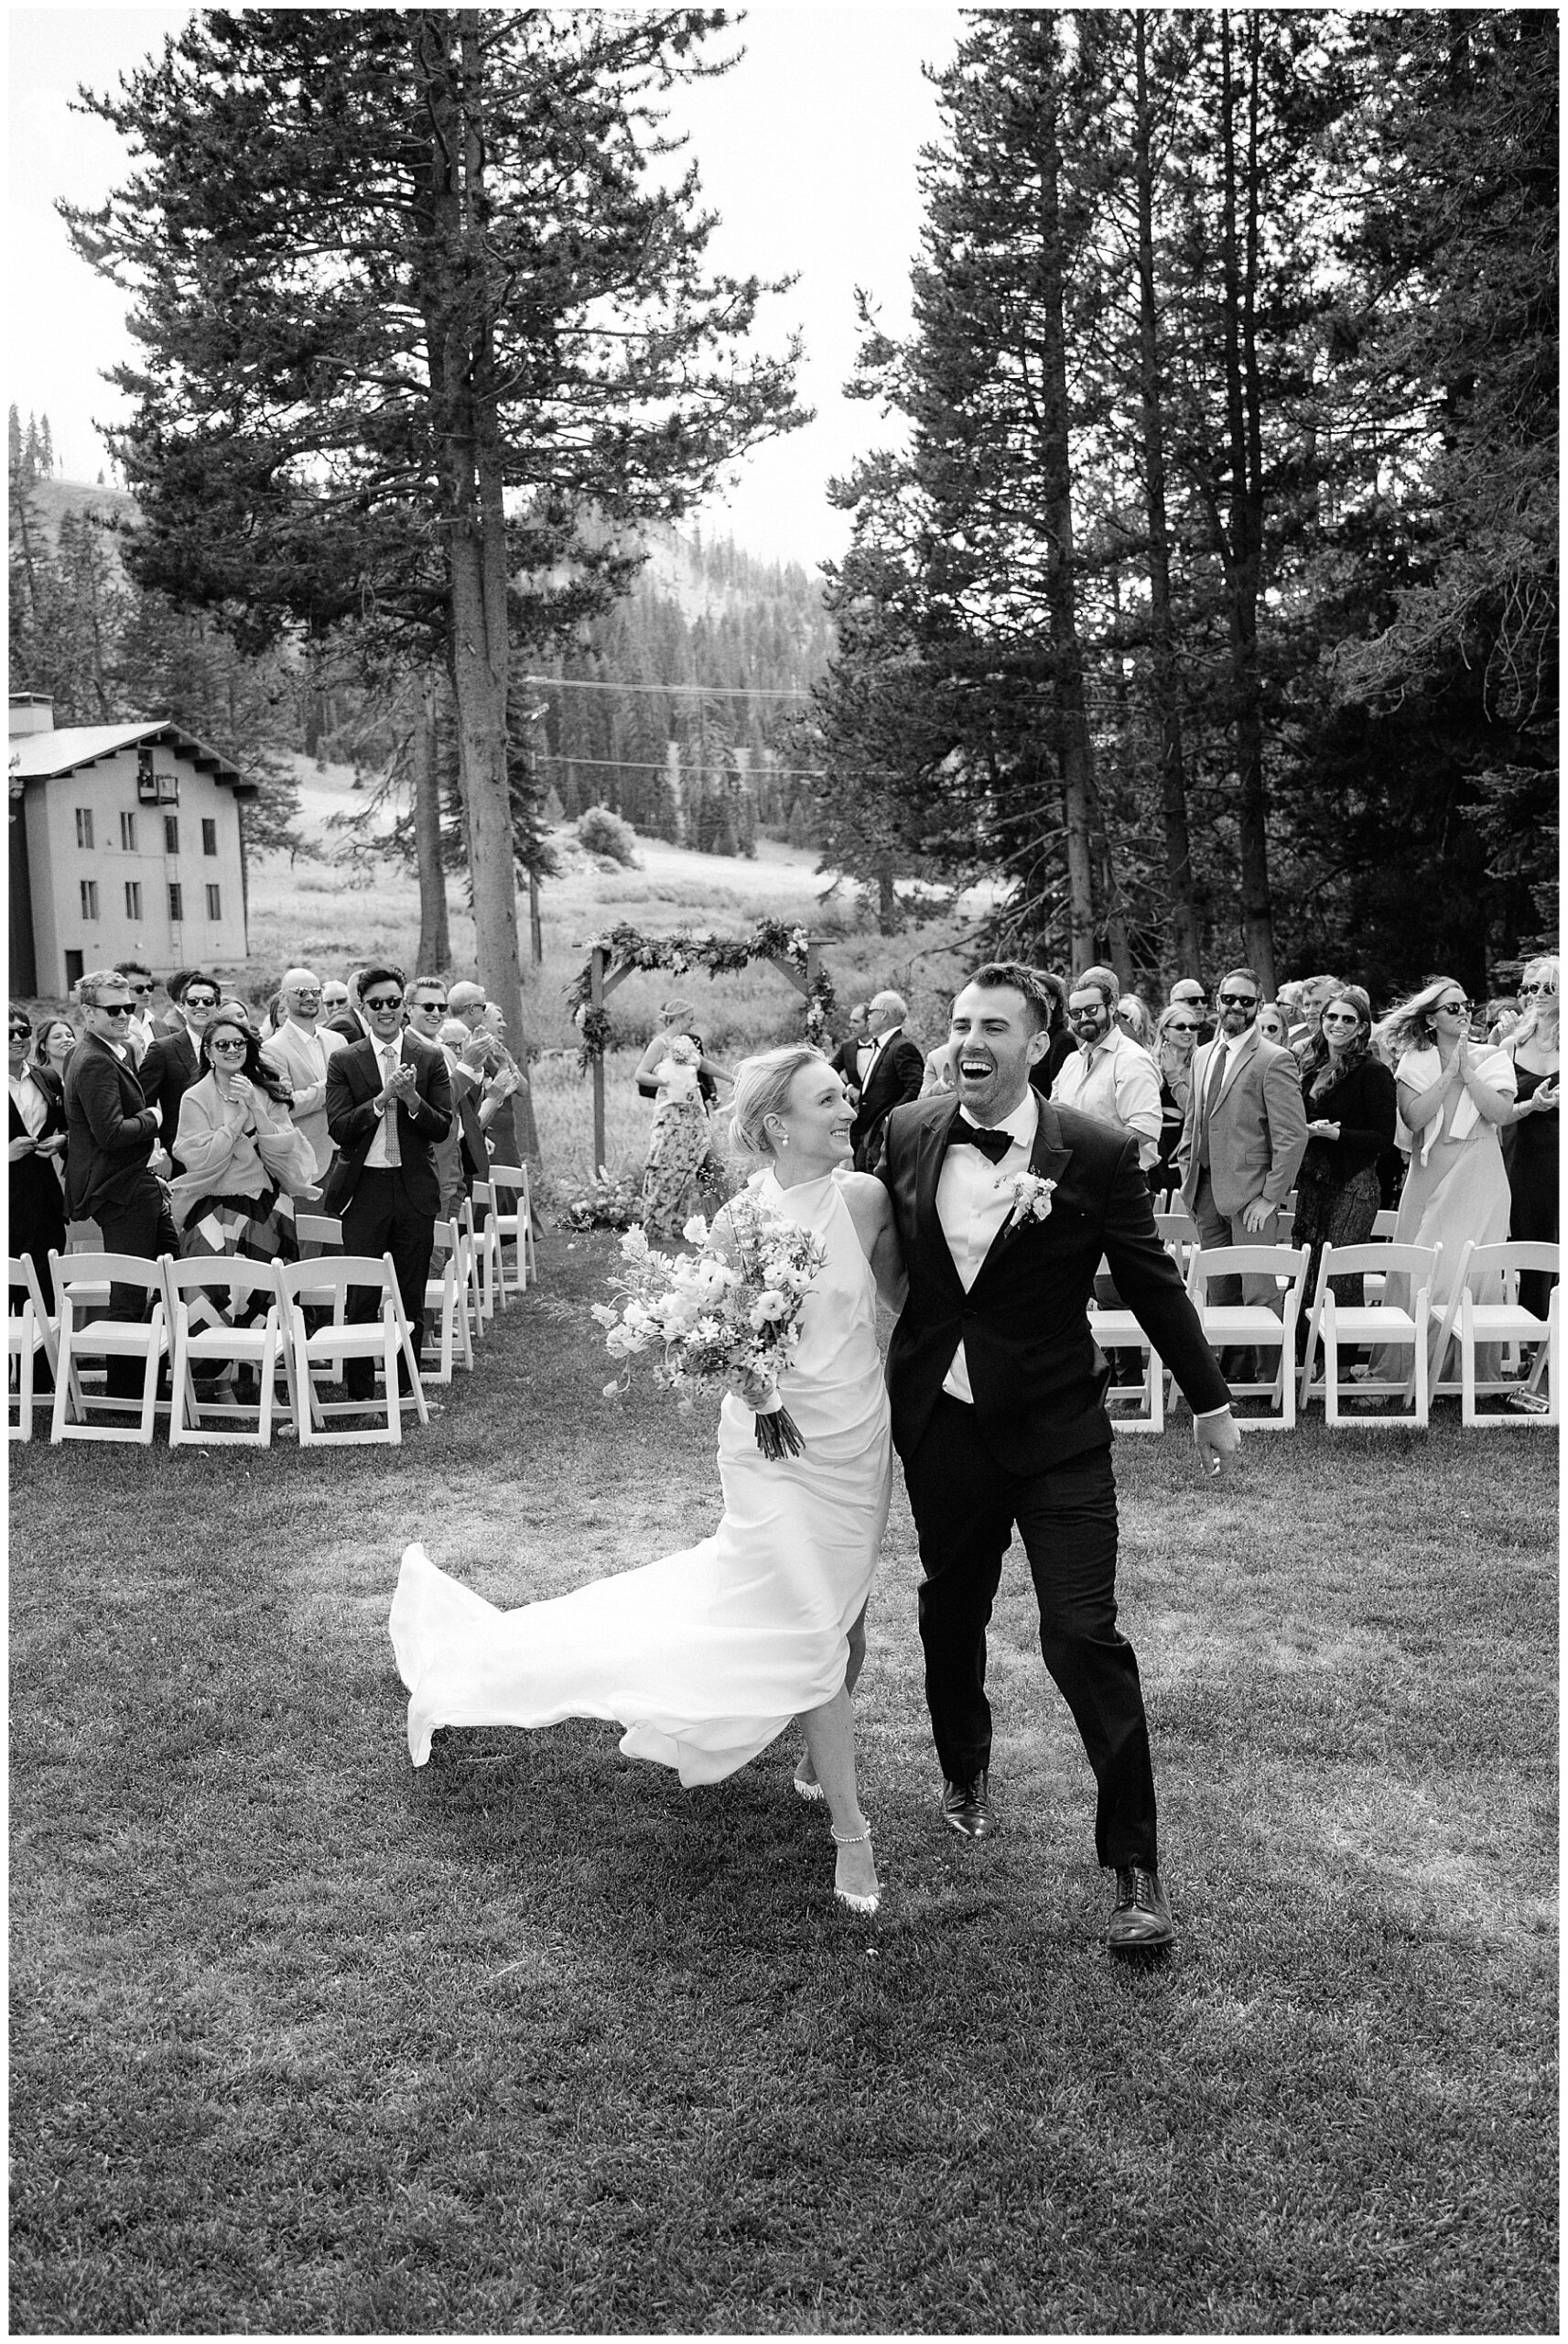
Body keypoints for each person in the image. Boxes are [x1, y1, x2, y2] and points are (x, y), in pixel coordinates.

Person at [390, 1044, 903, 1915]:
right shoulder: (742, 1218)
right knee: (816, 1620)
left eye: (845, 1095)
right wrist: (755, 1380)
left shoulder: (867, 1199)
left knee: (845, 1609)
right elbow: (716, 1337)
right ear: (780, 1124)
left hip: (857, 1436)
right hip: (770, 1449)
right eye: (830, 1099)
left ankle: (820, 1750)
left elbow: (901, 1301)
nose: (849, 1108)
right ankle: (851, 1838)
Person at [877, 963, 1238, 1952]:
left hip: (1057, 1430)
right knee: (950, 1607)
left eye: (994, 1024)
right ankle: (965, 1764)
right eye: (959, 1023)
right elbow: (880, 1260)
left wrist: (1208, 1397)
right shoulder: (910, 1128)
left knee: (1083, 1635)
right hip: (943, 1423)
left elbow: (1151, 1281)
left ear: (1039, 1043)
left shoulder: (1098, 1148)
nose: (969, 1040)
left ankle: (1134, 1870)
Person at [1369, 977, 1516, 1388]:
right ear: (1431, 1019)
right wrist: (1448, 1072)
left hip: (1481, 1173)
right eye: (1452, 1007)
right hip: (1429, 1172)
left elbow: (1500, 1114)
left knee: (1474, 1271)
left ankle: (1468, 1376)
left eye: (1466, 1005)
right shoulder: (1414, 1061)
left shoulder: (1492, 1056)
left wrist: (1468, 1072)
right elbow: (1415, 1119)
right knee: (1419, 1268)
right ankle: (1407, 1370)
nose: (1463, 1012)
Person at [323, 964, 454, 1401]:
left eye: (393, 1002)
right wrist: (382, 1100)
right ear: (362, 1007)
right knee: (362, 1293)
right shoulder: (345, 1059)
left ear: (404, 1006)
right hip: (365, 1190)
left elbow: (441, 1129)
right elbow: (340, 1128)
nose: (386, 1010)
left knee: (409, 1294)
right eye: (376, 1003)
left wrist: (412, 1098)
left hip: (414, 1190)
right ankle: (360, 1391)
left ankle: (405, 1389)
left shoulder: (430, 1057)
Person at [1176, 965, 1309, 1374]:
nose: (1236, 1006)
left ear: (1260, 1006)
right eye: (1229, 999)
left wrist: (1271, 1198)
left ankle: (1273, 1381)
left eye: (1246, 1001)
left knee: (1259, 1289)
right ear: (1217, 1002)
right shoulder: (1201, 1055)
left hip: (1252, 1195)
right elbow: (1196, 1118)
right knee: (1220, 1290)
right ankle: (1230, 1374)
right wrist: (1186, 1168)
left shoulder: (1274, 1059)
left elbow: (1292, 1136)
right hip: (1205, 1190)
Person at [61, 970, 177, 1398]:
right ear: (88, 1013)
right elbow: (109, 1133)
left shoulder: (117, 1049)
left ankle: (154, 1378)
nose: (125, 1014)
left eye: (128, 1006)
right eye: (114, 1009)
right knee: (129, 1292)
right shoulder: (92, 1059)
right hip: (119, 1190)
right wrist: (155, 1118)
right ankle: (127, 1397)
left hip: (137, 1183)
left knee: (169, 1270)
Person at [168, 1011, 319, 1268]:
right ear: (208, 1052)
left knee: (269, 1301)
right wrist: (237, 1122)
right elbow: (199, 1159)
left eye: (239, 1043)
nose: (232, 1050)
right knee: (209, 1300)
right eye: (222, 1044)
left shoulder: (268, 1092)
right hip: (212, 1208)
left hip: (267, 1207)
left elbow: (284, 1151)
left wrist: (255, 1106)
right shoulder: (195, 1097)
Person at [1292, 984, 1397, 1348]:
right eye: (1331, 1017)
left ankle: (1343, 1362)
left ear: (1362, 1028)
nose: (1337, 1024)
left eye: (1347, 1019)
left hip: (1353, 1184)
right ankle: (1304, 1359)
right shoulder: (1310, 1066)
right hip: (1312, 1180)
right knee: (1305, 1274)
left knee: (1339, 1278)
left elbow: (1385, 1137)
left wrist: (1338, 1136)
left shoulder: (1373, 1072)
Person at [633, 996, 730, 1243]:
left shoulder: (686, 1042)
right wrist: (665, 1081)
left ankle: (678, 1223)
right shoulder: (660, 1044)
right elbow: (640, 1075)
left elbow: (704, 1065)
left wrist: (732, 1078)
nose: (693, 1021)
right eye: (689, 1017)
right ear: (677, 1017)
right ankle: (656, 1225)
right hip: (672, 1115)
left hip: (694, 1114)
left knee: (688, 1167)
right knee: (666, 1168)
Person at [1498, 956, 1559, 1334]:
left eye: (1549, 987)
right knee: (1526, 1247)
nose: (1538, 994)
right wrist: (1530, 1105)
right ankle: (1526, 1342)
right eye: (1533, 987)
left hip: (1558, 1158)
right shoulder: (1511, 1044)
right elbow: (1496, 1106)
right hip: (1520, 1159)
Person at [1053, 967, 1162, 1175]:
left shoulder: (1132, 1058)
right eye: (1076, 1013)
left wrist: (1090, 1150)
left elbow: (1144, 1129)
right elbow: (1053, 1116)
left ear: (1112, 1007)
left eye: (1092, 1010)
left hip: (1120, 1183)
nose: (1084, 1018)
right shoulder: (1071, 1062)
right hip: (1076, 1179)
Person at [9, 1011, 69, 1372]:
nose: (17, 1038)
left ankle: (43, 1374)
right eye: (8, 1032)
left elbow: (70, 1126)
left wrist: (62, 1139)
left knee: (44, 1284)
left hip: (44, 1196)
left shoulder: (47, 1077)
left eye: (24, 1031)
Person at [261, 966, 348, 1180]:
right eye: (301, 992)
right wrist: (331, 1086)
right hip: (308, 1160)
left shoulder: (337, 1040)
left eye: (316, 992)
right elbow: (283, 1106)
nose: (310, 997)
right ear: (283, 998)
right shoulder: (272, 1049)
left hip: (348, 1153)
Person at [138, 971, 221, 1155]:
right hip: (181, 1152)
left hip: (227, 1150)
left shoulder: (232, 1046)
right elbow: (144, 1106)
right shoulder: (163, 1050)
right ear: (182, 1006)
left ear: (218, 1007)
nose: (200, 1006)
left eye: (208, 1001)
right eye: (193, 1001)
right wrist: (156, 1150)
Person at [849, 991, 925, 1169]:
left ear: (883, 1014)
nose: (868, 1017)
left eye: (871, 1012)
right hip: (867, 1132)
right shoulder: (885, 1046)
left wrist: (890, 1119)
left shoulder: (902, 1047)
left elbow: (914, 1088)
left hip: (883, 1136)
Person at [1151, 1001, 1202, 1202]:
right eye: (1181, 1027)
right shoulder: (1150, 1062)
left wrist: (1173, 1076)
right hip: (1157, 1143)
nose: (1188, 1031)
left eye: (1193, 1026)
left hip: (1185, 1145)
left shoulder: (1200, 1063)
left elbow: (1194, 1109)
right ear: (1165, 1031)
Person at [33, 1015, 78, 1084]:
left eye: (69, 1035)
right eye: (57, 1037)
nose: (66, 1040)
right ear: (43, 1046)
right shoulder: (38, 1079)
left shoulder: (85, 1072)